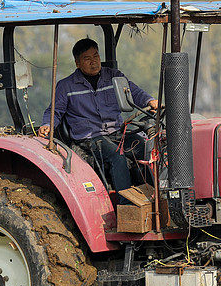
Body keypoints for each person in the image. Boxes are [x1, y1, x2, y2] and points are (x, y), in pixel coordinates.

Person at [38, 38, 158, 192]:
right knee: (117, 155)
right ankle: (125, 202)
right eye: (87, 58)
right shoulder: (66, 86)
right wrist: (47, 125)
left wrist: (150, 101)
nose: (93, 62)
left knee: (145, 149)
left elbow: (133, 92)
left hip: (117, 132)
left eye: (96, 56)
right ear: (77, 63)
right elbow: (55, 111)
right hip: (89, 138)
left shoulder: (114, 77)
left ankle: (155, 194)